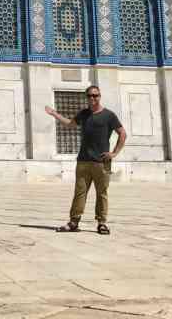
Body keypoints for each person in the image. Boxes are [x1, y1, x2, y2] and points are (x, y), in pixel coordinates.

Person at [45, 85, 126, 235]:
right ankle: (74, 222)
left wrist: (114, 153)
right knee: (80, 192)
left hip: (101, 163)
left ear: (100, 96)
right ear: (86, 98)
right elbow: (69, 124)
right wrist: (54, 113)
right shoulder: (84, 114)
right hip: (83, 161)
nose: (93, 98)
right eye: (89, 96)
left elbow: (122, 133)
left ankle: (102, 223)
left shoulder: (109, 115)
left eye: (95, 95)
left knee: (102, 193)